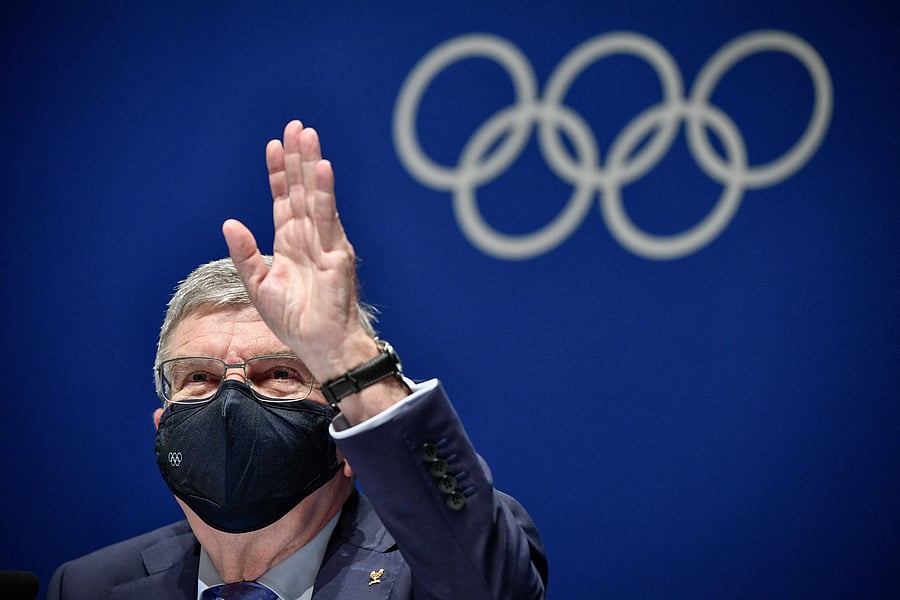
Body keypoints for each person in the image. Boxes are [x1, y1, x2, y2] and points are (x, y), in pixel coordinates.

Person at [48, 120, 548, 599]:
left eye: (279, 374)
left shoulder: (433, 569)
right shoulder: (87, 585)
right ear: (162, 427)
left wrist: (345, 349)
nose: (230, 403)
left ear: (346, 440)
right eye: (198, 377)